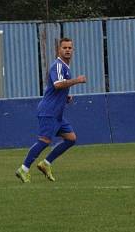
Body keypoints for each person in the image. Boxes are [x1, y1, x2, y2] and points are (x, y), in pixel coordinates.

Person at [15, 37, 86, 183]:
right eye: (64, 48)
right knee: (45, 141)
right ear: (58, 50)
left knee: (71, 138)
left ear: (73, 50)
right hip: (49, 111)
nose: (67, 50)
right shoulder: (58, 65)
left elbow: (58, 88)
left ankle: (45, 164)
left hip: (57, 113)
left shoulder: (65, 67)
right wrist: (77, 80)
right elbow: (58, 84)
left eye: (69, 48)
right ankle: (24, 168)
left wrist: (66, 97)